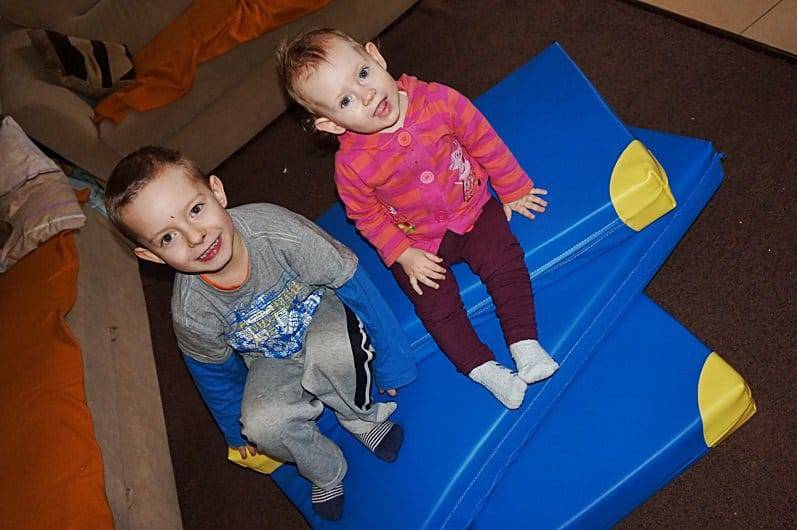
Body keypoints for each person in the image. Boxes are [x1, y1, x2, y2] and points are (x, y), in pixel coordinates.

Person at [104, 146, 416, 521]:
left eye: (196, 210)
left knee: (334, 350)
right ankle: (324, 469)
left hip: (322, 313)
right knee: (261, 423)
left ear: (217, 192)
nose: (195, 237)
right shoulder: (191, 311)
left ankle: (360, 419)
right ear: (152, 256)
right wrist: (234, 432)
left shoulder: (276, 232)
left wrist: (393, 360)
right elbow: (213, 373)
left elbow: (350, 278)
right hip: (269, 357)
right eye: (168, 238)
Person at [277, 28, 559, 410]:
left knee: (505, 261)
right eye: (345, 100)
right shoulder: (351, 166)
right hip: (417, 242)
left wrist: (512, 188)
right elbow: (364, 214)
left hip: (471, 207)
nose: (367, 95)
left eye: (363, 74)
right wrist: (403, 252)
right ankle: (483, 369)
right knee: (436, 308)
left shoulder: (437, 100)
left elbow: (481, 137)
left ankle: (525, 344)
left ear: (376, 57)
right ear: (331, 124)